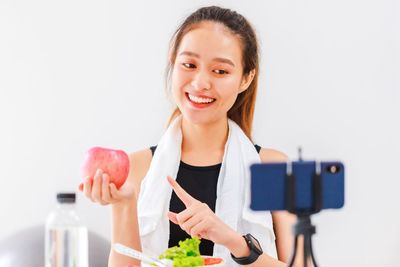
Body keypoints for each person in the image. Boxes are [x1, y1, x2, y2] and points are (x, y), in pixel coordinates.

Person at [81, 6, 302, 267]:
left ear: (246, 78)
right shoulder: (139, 167)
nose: (200, 83)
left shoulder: (273, 168)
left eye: (220, 71)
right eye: (189, 65)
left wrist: (234, 242)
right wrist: (123, 204)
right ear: (173, 62)